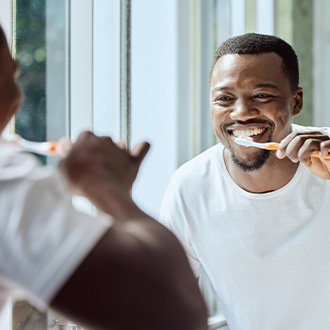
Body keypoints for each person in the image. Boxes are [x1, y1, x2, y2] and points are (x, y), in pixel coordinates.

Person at [0, 25, 209, 330]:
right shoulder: (6, 181)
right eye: (9, 77)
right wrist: (106, 188)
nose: (17, 97)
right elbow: (175, 314)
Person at [160, 33, 330, 330]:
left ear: (296, 101)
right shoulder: (190, 188)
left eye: (262, 96)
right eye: (224, 99)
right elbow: (165, 306)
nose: (242, 113)